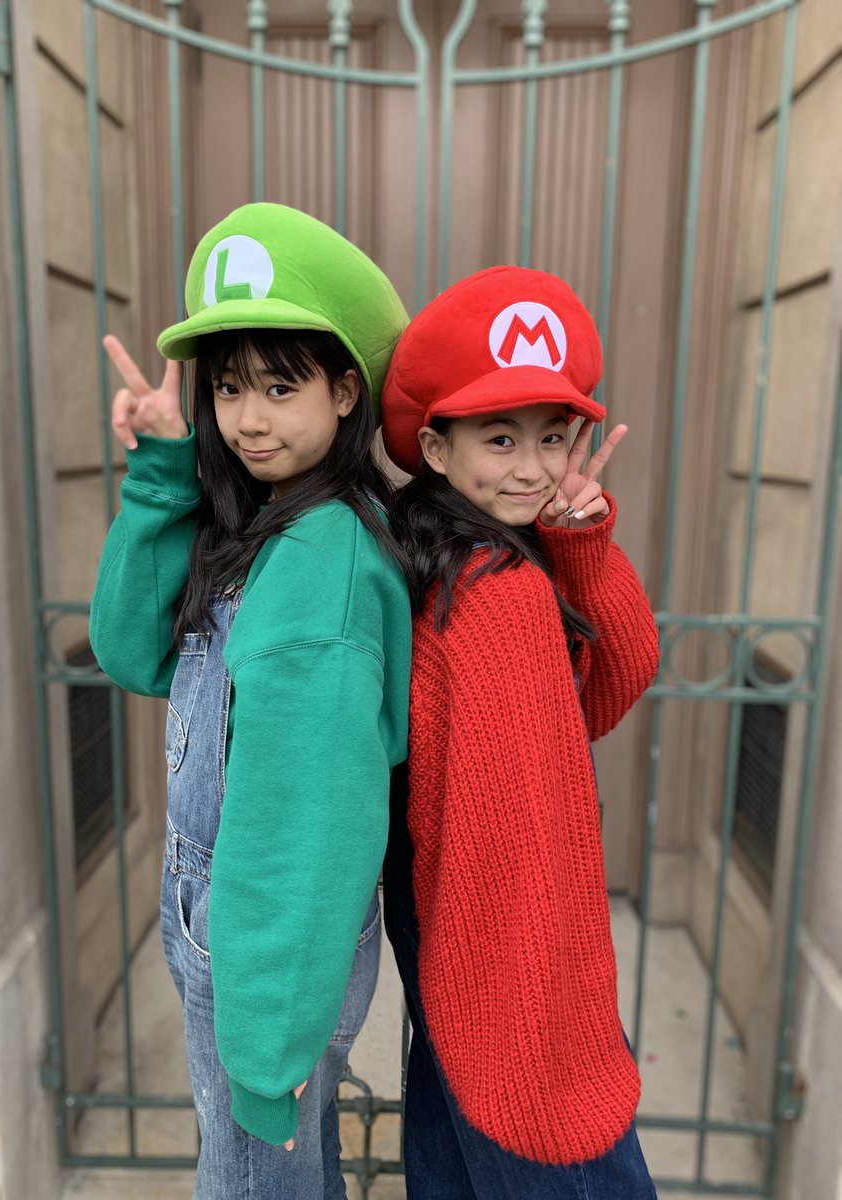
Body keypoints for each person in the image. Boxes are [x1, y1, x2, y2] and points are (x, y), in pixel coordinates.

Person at [89, 202, 412, 1199]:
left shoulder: (323, 563)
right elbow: (134, 651)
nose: (249, 419)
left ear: (346, 391)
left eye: (280, 385)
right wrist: (159, 475)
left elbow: (307, 823)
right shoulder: (263, 519)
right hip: (232, 916)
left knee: (248, 1180)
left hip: (267, 933)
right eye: (230, 387)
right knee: (277, 1176)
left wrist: (268, 1046)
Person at [379, 266, 660, 1198]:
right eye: (500, 438)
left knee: (454, 1122)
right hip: (502, 924)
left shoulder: (447, 552)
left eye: (551, 436)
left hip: (446, 901)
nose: (533, 468)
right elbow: (528, 818)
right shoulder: (497, 591)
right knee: (538, 1133)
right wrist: (543, 1012)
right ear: (436, 447)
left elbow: (605, 686)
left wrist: (580, 543)